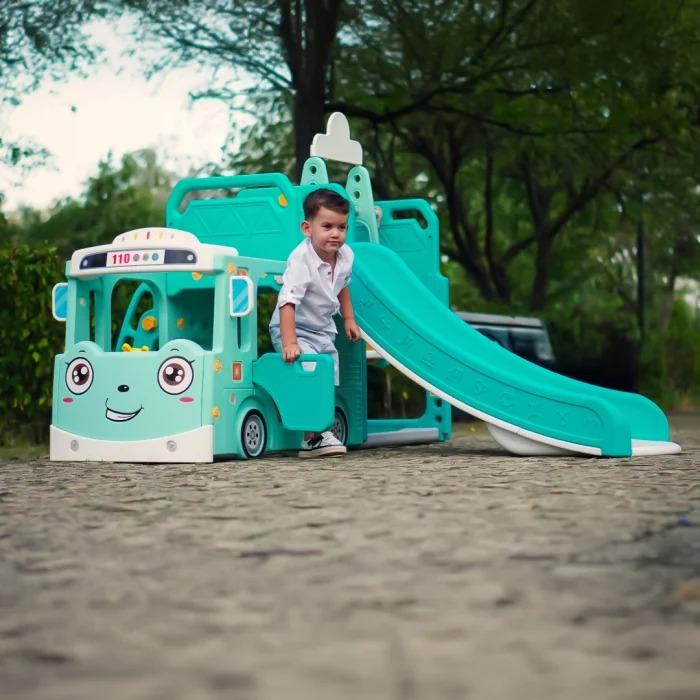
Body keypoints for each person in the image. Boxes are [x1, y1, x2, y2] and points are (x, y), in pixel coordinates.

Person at [269, 188, 362, 457]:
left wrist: (349, 319)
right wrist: (290, 342)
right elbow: (288, 301)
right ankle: (312, 438)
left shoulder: (346, 256)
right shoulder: (301, 259)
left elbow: (343, 286)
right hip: (294, 329)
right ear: (307, 228)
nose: (336, 234)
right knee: (310, 372)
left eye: (342, 227)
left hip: (322, 330)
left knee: (327, 378)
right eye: (327, 227)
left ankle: (318, 431)